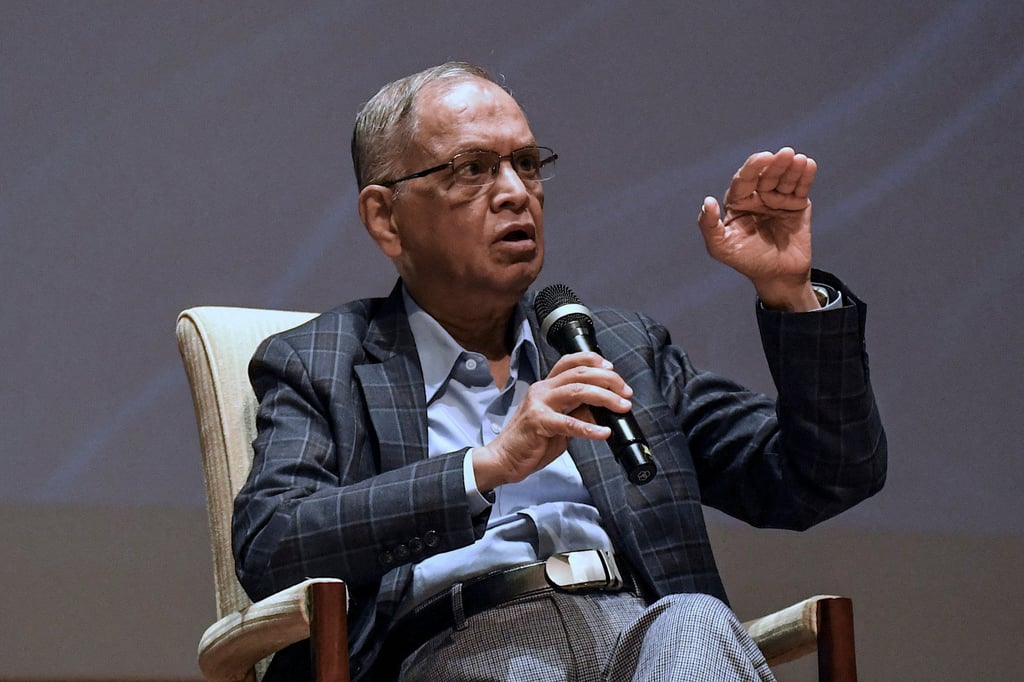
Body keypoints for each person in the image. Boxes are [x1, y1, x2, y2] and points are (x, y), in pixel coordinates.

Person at [232, 61, 886, 681]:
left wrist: (788, 293)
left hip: (643, 643)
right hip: (461, 645)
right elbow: (272, 545)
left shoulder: (618, 347)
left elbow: (824, 476)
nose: (516, 193)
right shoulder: (325, 361)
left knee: (697, 620)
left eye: (526, 163)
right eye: (473, 169)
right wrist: (485, 467)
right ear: (386, 217)